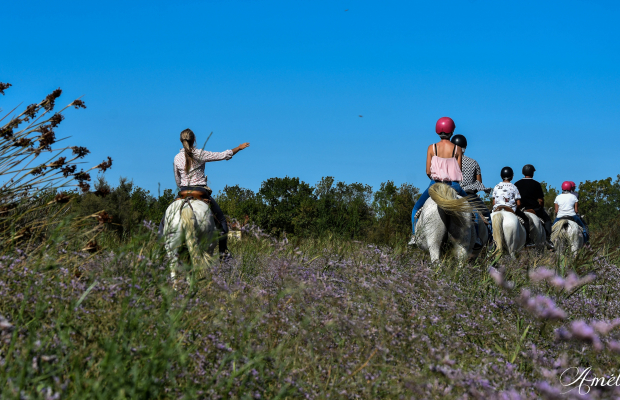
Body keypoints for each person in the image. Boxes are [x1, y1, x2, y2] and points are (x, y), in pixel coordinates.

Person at [168, 128, 250, 257]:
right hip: (200, 191)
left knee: (166, 219)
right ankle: (223, 255)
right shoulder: (200, 154)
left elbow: (177, 179)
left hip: (183, 191)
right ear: (194, 140)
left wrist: (182, 188)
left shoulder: (177, 158)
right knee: (222, 221)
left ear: (181, 140)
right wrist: (238, 148)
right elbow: (223, 155)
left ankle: (162, 246)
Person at [410, 117, 481, 245]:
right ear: (452, 131)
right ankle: (476, 239)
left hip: (435, 184)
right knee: (473, 210)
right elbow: (459, 170)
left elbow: (428, 171)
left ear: (437, 130)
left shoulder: (431, 148)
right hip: (454, 186)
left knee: (415, 209)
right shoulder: (457, 149)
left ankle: (415, 237)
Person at [451, 134, 492, 223]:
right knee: (487, 214)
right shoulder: (473, 162)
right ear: (465, 147)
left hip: (450, 193)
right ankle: (490, 235)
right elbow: (479, 183)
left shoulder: (448, 162)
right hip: (469, 196)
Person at [514, 164, 554, 248]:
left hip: (521, 209)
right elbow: (541, 200)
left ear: (523, 172)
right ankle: (548, 240)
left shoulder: (516, 184)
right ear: (532, 173)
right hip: (535, 209)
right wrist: (540, 207)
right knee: (547, 220)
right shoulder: (536, 184)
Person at [491, 166, 530, 243]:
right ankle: (527, 241)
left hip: (497, 208)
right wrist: (517, 207)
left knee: (488, 220)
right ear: (512, 177)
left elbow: (494, 202)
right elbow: (518, 203)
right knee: (526, 220)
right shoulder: (514, 187)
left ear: (501, 176)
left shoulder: (496, 186)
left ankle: (488, 241)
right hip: (510, 209)